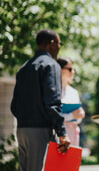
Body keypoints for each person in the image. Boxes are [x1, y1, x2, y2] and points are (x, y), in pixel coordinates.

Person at [10, 29, 71, 171]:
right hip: (40, 131)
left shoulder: (24, 67)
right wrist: (62, 133)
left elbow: (14, 106)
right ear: (52, 44)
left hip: (22, 130)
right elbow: (52, 103)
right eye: (59, 43)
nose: (59, 47)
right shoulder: (51, 65)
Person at [57, 57, 85, 147]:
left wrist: (80, 115)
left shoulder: (74, 92)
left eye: (73, 69)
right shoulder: (53, 92)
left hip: (73, 136)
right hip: (58, 136)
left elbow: (78, 119)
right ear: (60, 70)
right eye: (69, 69)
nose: (73, 72)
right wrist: (72, 115)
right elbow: (52, 116)